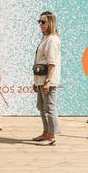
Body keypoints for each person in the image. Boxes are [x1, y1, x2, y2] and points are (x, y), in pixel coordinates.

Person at [32, 10, 61, 146]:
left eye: (43, 22)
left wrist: (47, 81)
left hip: (48, 80)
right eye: (39, 21)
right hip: (41, 79)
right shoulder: (45, 38)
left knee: (49, 107)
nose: (41, 24)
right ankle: (46, 132)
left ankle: (52, 136)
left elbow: (52, 63)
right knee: (42, 107)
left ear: (50, 23)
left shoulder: (52, 39)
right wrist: (36, 82)